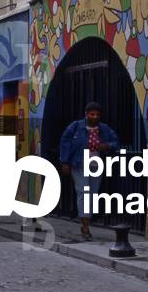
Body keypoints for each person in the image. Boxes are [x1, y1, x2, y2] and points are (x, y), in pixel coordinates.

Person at [59, 101, 119, 239]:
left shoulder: (104, 129)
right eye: (92, 114)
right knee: (83, 191)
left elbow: (116, 142)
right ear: (86, 114)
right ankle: (85, 225)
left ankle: (86, 220)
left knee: (93, 193)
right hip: (79, 163)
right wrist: (64, 162)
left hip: (96, 164)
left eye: (97, 114)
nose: (95, 117)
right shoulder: (75, 127)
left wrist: (106, 146)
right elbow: (65, 142)